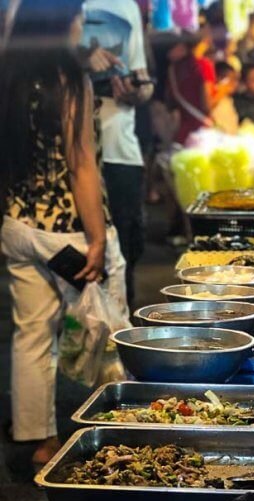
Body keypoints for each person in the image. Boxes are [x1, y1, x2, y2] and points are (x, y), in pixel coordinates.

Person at [0, 0, 127, 465]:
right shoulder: (68, 78)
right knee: (109, 328)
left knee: (31, 337)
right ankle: (117, 424)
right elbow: (82, 165)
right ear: (64, 21)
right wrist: (97, 238)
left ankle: (40, 441)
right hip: (68, 233)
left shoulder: (9, 75)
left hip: (18, 226)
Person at [80, 0, 153, 305]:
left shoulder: (127, 7)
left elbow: (143, 79)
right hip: (72, 153)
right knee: (77, 259)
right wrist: (78, 57)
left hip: (120, 150)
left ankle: (117, 341)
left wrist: (136, 90)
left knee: (124, 255)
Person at [166, 32, 213, 145]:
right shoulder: (202, 65)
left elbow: (169, 99)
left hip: (184, 131)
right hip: (201, 127)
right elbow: (207, 100)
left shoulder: (172, 70)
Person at [212, 60, 240, 134]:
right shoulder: (213, 100)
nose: (235, 83)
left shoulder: (228, 100)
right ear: (220, 78)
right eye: (232, 79)